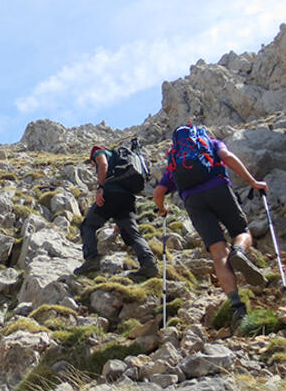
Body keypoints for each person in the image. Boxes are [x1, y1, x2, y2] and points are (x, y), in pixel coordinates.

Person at [153, 125, 267, 326]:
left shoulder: (175, 159)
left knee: (218, 253)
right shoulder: (210, 144)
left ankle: (237, 306)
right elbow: (228, 158)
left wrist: (162, 210)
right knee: (241, 231)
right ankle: (239, 251)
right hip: (218, 189)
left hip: (193, 201)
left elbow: (159, 192)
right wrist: (252, 182)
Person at [73, 145, 159, 279]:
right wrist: (119, 221)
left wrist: (100, 187)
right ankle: (149, 263)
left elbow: (103, 164)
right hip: (128, 198)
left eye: (92, 163)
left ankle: (91, 260)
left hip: (111, 194)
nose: (93, 164)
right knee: (132, 232)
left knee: (88, 225)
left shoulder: (99, 152)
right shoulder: (120, 159)